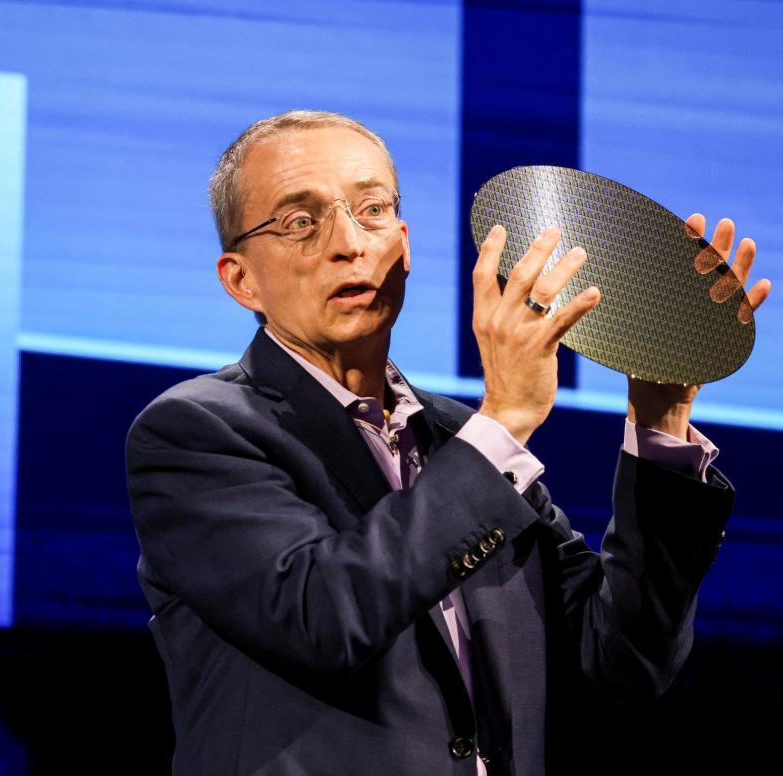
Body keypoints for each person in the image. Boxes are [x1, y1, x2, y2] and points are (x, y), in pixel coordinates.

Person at [124, 110, 771, 776]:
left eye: (371, 210)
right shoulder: (197, 432)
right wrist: (507, 418)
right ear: (239, 280)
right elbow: (323, 617)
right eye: (299, 222)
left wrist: (658, 422)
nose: (348, 242)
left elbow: (621, 665)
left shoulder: (460, 441)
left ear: (403, 245)